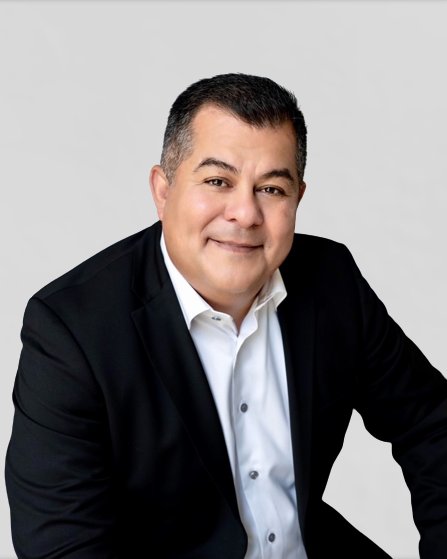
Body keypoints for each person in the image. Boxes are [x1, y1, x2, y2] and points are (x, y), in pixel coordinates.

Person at [5, 73, 447, 559]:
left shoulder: (330, 280)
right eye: (218, 181)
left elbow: (432, 424)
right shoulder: (73, 330)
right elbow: (62, 547)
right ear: (163, 189)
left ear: (298, 198)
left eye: (272, 189)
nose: (245, 213)